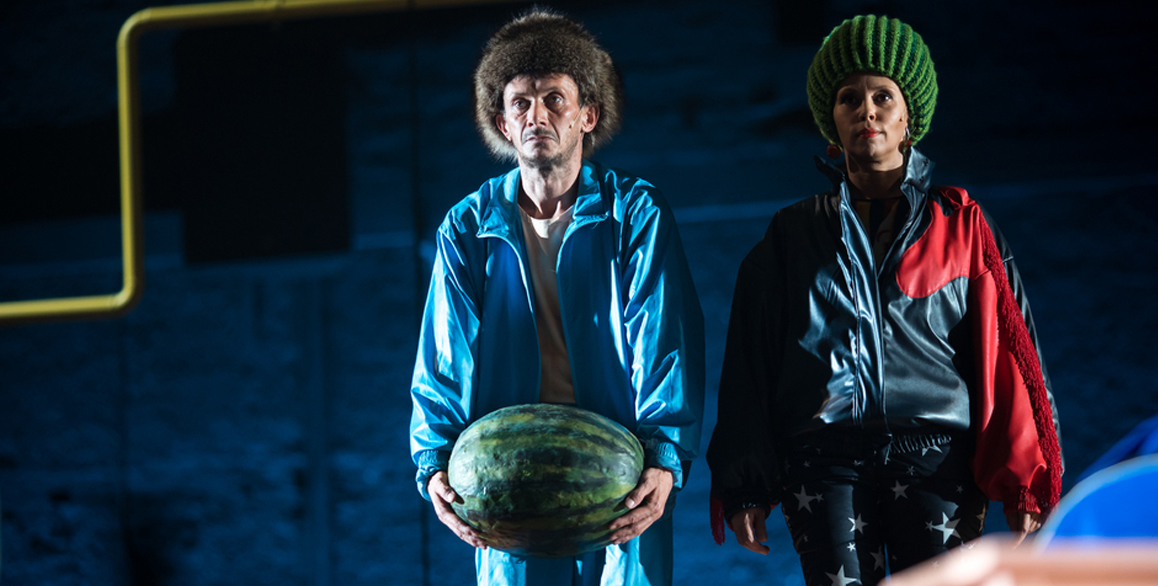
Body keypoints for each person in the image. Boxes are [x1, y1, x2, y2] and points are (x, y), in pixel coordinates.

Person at [706, 14, 1063, 586]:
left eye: (882, 97)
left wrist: (1027, 479)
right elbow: (751, 362)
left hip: (936, 459)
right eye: (848, 98)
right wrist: (745, 484)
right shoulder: (791, 235)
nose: (866, 110)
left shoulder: (963, 226)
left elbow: (1011, 354)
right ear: (831, 120)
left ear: (908, 118)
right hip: (822, 464)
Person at [408, 8, 704, 586]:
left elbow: (663, 338)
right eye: (520, 103)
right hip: (509, 474)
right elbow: (444, 354)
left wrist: (665, 456)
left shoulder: (634, 212)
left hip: (621, 468)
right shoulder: (467, 227)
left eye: (554, 99)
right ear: (502, 122)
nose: (536, 115)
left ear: (587, 114)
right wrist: (434, 463)